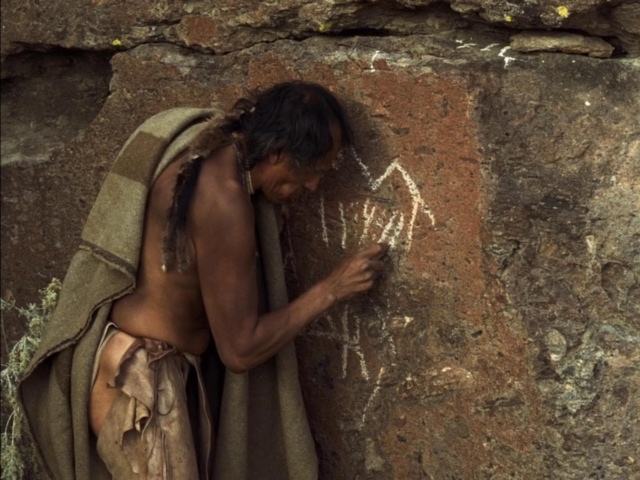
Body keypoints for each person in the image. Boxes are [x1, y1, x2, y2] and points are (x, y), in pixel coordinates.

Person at [77, 82, 388, 478]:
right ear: (276, 153)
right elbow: (240, 350)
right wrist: (332, 289)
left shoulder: (208, 148)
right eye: (312, 172)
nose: (312, 187)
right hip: (140, 390)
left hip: (131, 370)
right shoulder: (223, 200)